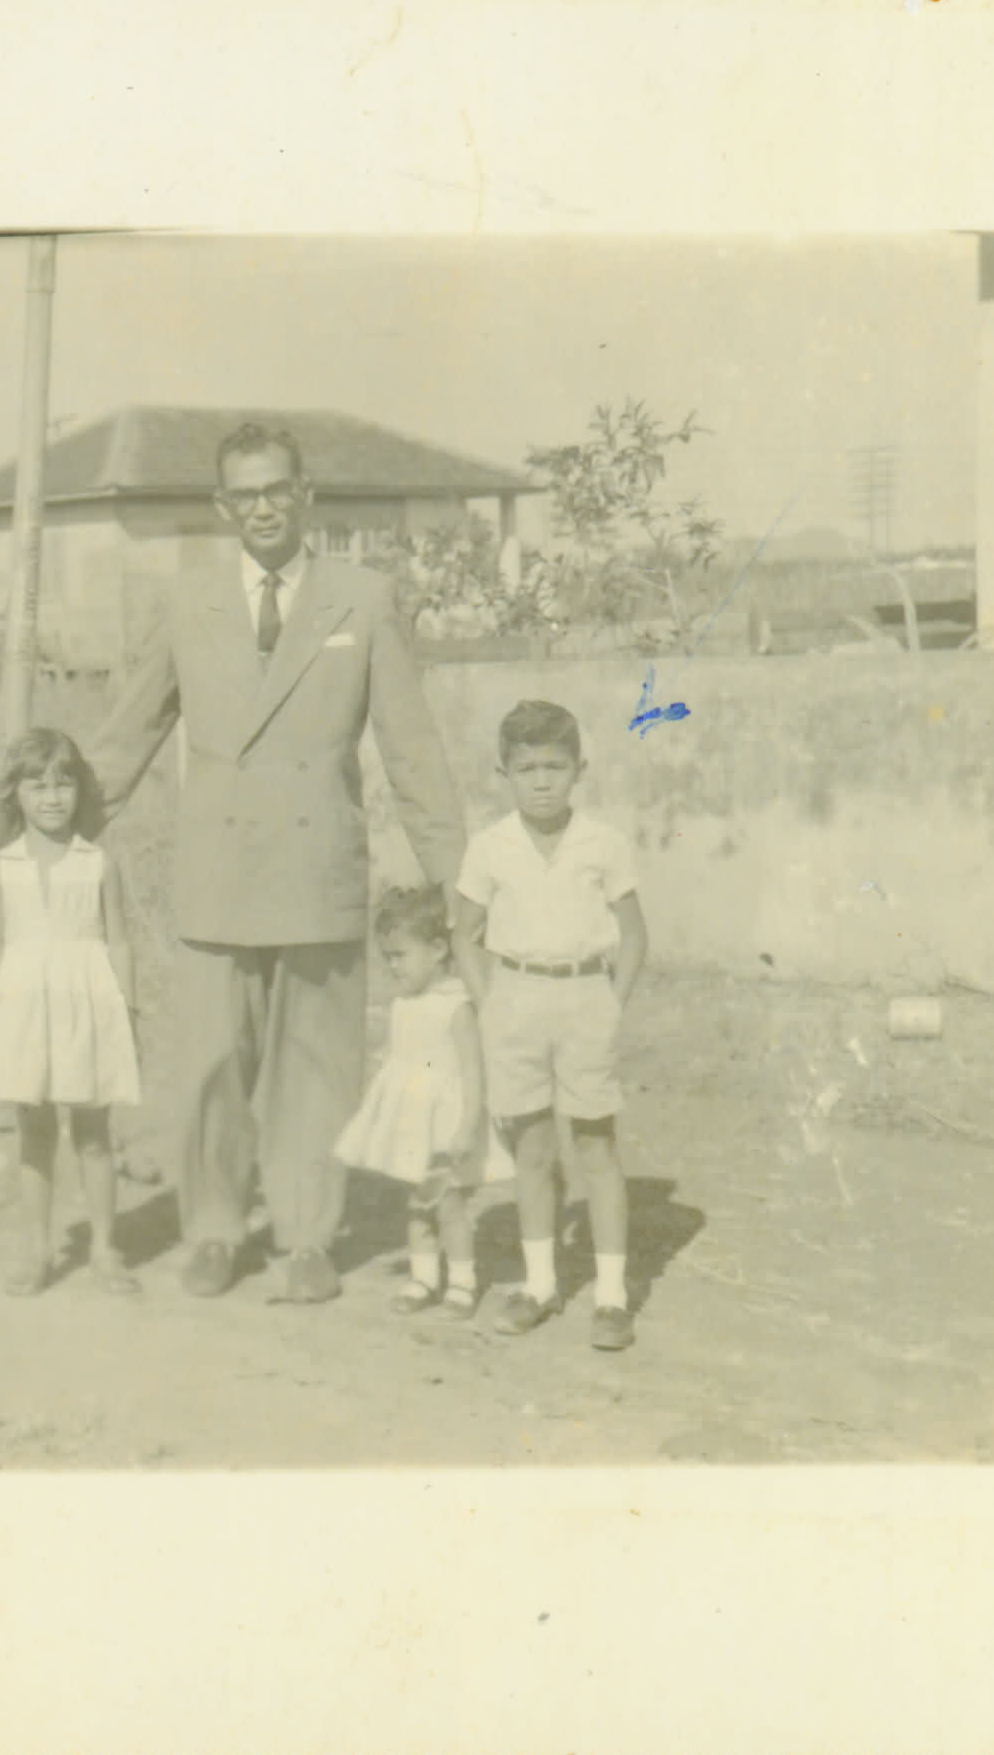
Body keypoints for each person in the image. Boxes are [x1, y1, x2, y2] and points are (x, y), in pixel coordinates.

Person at [90, 423, 466, 1304]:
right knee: (212, 1065)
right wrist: (52, 828)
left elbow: (411, 749)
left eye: (275, 490)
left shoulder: (362, 599)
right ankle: (214, 1229)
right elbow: (128, 731)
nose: (261, 508)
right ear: (223, 508)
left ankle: (305, 1237)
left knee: (314, 1068)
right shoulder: (186, 602)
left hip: (316, 867)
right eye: (244, 494)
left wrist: (459, 878)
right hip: (215, 872)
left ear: (305, 498)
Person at [451, 699, 650, 1350]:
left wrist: (611, 1002)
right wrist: (489, 1002)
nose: (541, 782)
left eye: (554, 767)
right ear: (503, 774)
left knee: (595, 1146)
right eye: (527, 768)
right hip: (515, 999)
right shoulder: (489, 847)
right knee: (531, 1151)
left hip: (584, 997)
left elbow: (633, 933)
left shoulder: (602, 843)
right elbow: (464, 935)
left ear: (578, 771)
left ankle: (612, 1297)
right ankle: (539, 1286)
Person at [0, 727, 143, 1297]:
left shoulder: (98, 863)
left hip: (86, 1004)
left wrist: (127, 1007)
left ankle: (105, 1249)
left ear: (80, 791)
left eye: (63, 784)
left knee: (93, 1132)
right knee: (34, 1132)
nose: (52, 797)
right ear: (14, 794)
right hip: (24, 1008)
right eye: (37, 786)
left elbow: (119, 940)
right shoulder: (3, 865)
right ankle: (36, 1250)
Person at [332, 885, 508, 1321]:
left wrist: (467, 1126)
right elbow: (396, 1062)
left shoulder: (456, 1007)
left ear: (437, 950)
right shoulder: (402, 1005)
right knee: (417, 1202)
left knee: (448, 1204)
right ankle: (424, 1277)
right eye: (387, 957)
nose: (393, 966)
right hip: (414, 1121)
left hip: (445, 1124)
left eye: (400, 956)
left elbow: (473, 1072)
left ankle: (463, 1282)